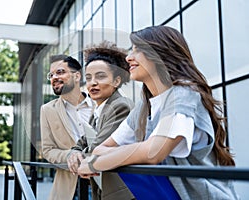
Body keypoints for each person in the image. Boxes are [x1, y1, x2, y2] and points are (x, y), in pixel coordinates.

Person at [77, 26, 239, 199]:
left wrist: (96, 164)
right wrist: (111, 156)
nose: (129, 57)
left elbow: (154, 151)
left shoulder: (183, 94)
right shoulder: (144, 106)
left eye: (137, 50)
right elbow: (101, 149)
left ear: (160, 53)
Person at [67, 41, 135, 200]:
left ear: (116, 81)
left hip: (122, 193)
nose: (93, 83)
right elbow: (83, 142)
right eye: (88, 78)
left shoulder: (120, 107)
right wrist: (74, 152)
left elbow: (97, 147)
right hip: (103, 187)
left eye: (101, 76)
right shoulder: (99, 110)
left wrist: (79, 156)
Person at [40, 55, 94, 200]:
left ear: (77, 76)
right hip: (70, 187)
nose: (54, 77)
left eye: (60, 72)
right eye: (51, 75)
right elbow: (48, 150)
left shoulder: (100, 105)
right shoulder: (47, 110)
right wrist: (70, 155)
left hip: (103, 183)